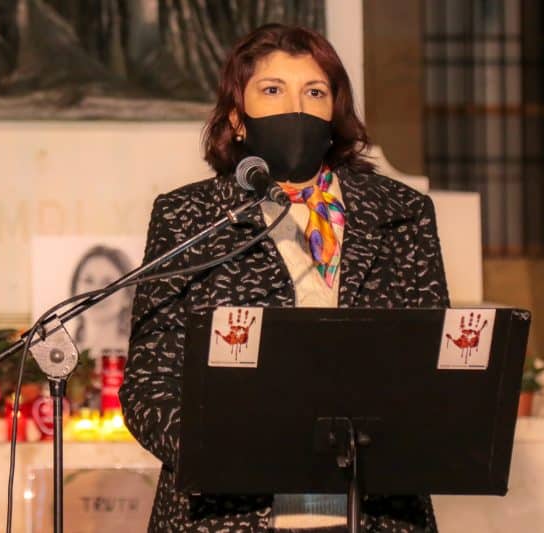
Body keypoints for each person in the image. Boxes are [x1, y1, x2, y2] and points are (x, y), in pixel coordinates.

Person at [120, 23, 449, 532]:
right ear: (237, 117)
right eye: (272, 90)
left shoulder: (402, 214)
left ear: (334, 112)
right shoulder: (189, 217)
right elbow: (150, 381)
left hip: (373, 509)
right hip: (228, 513)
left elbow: (431, 365)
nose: (296, 107)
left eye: (314, 92)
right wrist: (222, 454)